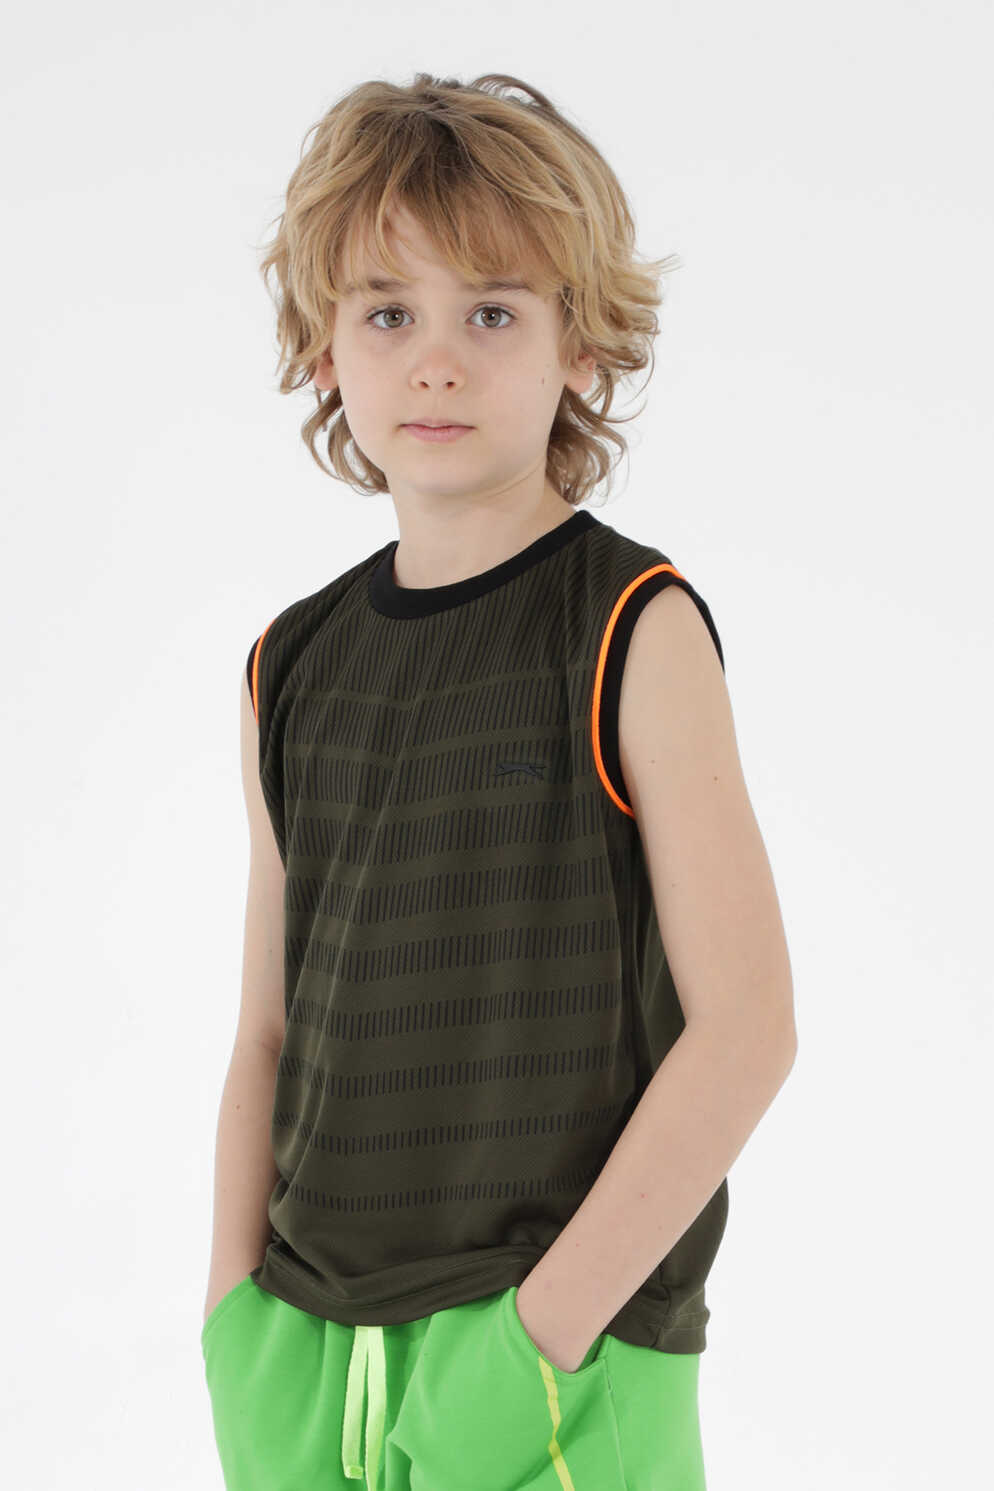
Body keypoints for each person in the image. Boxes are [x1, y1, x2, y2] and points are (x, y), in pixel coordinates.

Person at [201, 71, 797, 1491]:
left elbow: (747, 1028)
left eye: (491, 312)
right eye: (385, 313)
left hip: (546, 1349)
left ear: (578, 344)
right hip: (302, 1349)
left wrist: (545, 1331)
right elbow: (268, 1029)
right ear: (322, 344)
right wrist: (234, 1319)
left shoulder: (631, 627)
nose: (436, 363)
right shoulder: (290, 661)